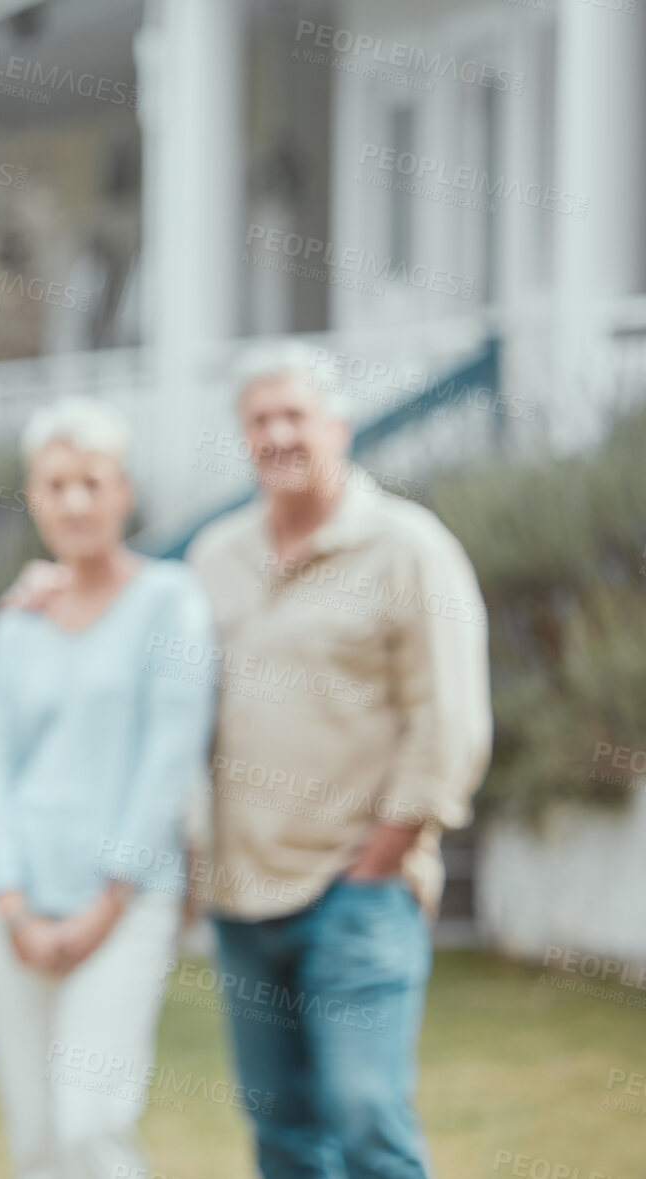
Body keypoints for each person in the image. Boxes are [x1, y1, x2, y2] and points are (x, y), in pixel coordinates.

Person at [184, 344, 492, 1179]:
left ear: (339, 427)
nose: (278, 434)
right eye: (260, 419)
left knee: (366, 1120)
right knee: (282, 1136)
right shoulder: (215, 556)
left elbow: (451, 722)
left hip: (357, 894)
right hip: (242, 897)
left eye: (296, 415)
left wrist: (377, 862)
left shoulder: (408, 548)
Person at [0, 397, 217, 1178]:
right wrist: (9, 902)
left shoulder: (170, 603)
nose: (75, 501)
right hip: (13, 908)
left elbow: (167, 760)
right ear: (34, 496)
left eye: (92, 482)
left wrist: (105, 903)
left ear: (124, 492)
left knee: (89, 1127)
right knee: (36, 1141)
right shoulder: (18, 623)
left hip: (125, 901)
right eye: (56, 484)